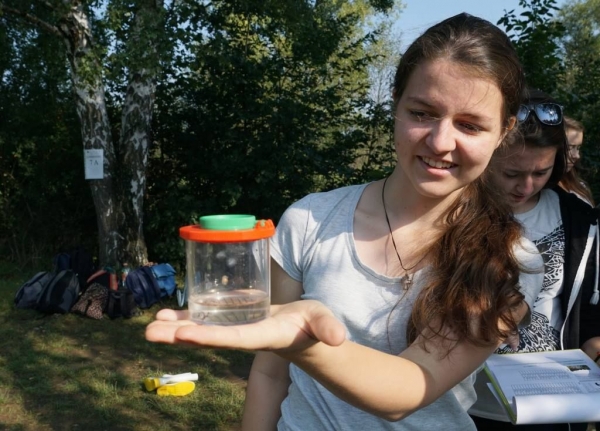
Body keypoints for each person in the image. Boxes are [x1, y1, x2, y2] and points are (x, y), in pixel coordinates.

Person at [146, 13, 544, 430]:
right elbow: (269, 373)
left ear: (504, 132)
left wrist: (303, 342)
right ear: (396, 104)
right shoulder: (310, 220)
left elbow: (407, 389)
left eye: (470, 125)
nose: (441, 142)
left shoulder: (509, 260)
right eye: (423, 113)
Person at [469, 89, 600, 431]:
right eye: (512, 174)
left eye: (540, 173)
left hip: (555, 400)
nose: (526, 186)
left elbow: (588, 303)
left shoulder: (579, 220)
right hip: (470, 403)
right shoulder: (456, 213)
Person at [559, 116, 595, 205]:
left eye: (578, 148)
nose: (577, 156)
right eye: (569, 148)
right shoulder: (536, 190)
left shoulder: (579, 185)